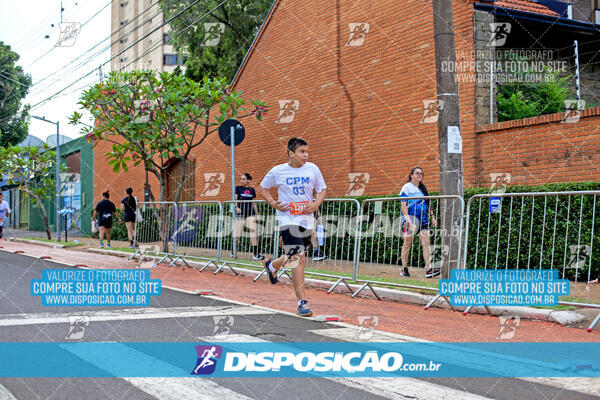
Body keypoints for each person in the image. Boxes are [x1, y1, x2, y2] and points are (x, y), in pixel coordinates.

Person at [259, 137, 327, 317]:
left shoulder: (313, 169)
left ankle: (272, 265)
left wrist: (315, 204)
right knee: (299, 257)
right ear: (291, 153)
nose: (306, 155)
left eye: (307, 151)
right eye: (302, 152)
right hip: (287, 220)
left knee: (294, 254)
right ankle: (302, 302)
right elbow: (263, 188)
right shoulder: (278, 171)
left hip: (307, 220)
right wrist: (274, 203)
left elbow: (322, 189)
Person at [400, 167, 438, 278]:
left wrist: (433, 217)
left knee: (426, 243)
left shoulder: (423, 189)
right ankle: (404, 269)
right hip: (410, 220)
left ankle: (429, 269)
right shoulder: (406, 187)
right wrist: (407, 219)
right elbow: (403, 205)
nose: (419, 175)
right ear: (411, 175)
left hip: (423, 220)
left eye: (421, 173)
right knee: (407, 244)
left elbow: (428, 204)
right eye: (417, 173)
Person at [234, 173, 264, 260]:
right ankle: (233, 252)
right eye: (241, 179)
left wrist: (257, 214)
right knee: (237, 234)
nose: (242, 181)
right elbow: (235, 199)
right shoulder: (238, 188)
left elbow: (254, 203)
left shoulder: (252, 190)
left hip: (250, 213)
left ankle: (256, 254)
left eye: (244, 179)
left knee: (253, 232)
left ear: (248, 180)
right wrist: (236, 207)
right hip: (240, 213)